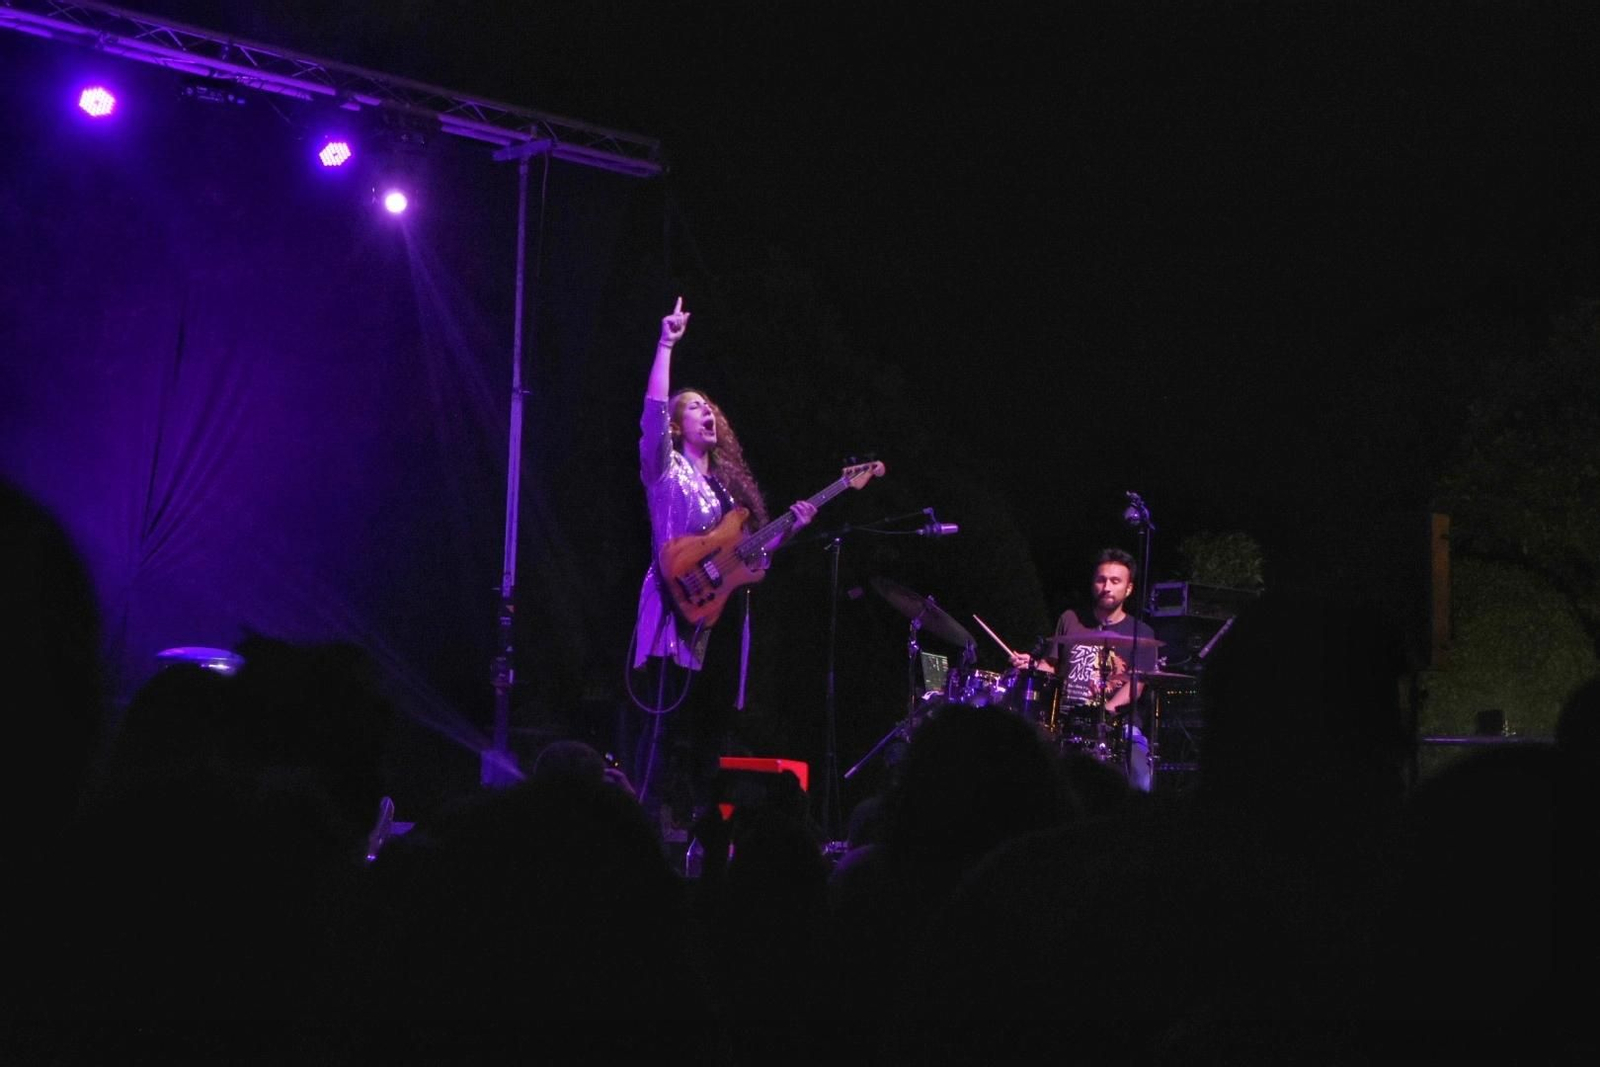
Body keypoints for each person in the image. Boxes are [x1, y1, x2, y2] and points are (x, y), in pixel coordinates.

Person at [630, 296, 816, 838]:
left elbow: (746, 562)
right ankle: (652, 827)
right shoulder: (664, 473)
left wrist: (791, 529)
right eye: (693, 408)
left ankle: (701, 835)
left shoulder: (725, 492)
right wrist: (666, 345)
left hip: (719, 620)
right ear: (675, 423)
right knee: (665, 725)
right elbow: (649, 415)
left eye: (709, 409)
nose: (705, 413)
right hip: (672, 611)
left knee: (711, 730)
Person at [1011, 547, 1159, 791]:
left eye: (1115, 581)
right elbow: (1051, 665)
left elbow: (1136, 685)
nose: (1107, 587)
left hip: (1120, 727)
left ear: (1129, 588)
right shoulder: (1070, 619)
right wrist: (1031, 667)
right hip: (1066, 721)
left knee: (1141, 776)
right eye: (1101, 580)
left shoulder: (1141, 633)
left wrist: (1106, 712)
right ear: (1093, 583)